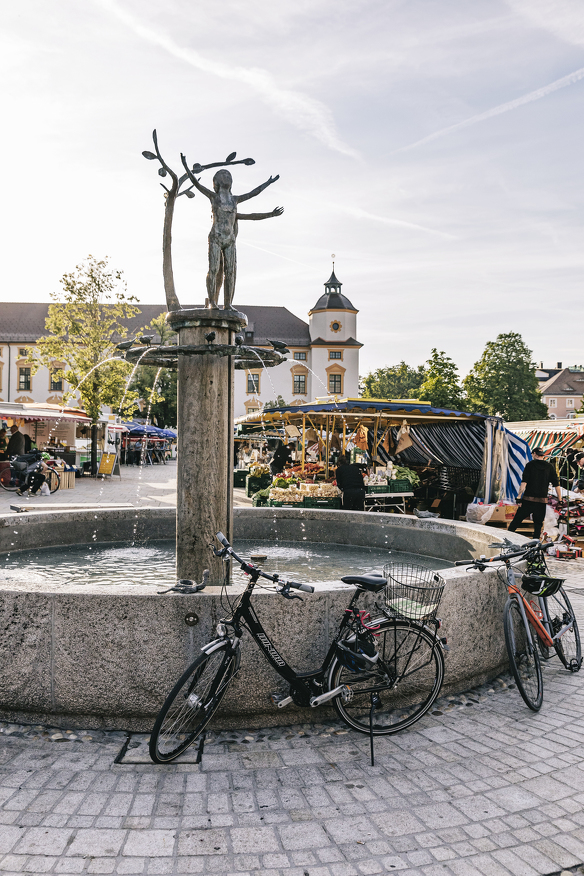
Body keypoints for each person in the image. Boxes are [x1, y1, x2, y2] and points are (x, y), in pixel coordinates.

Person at [188, 168, 283, 309]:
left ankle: (228, 304)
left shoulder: (234, 200)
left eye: (228, 175)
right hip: (216, 237)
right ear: (216, 182)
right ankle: (212, 302)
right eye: (223, 175)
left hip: (230, 240)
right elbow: (197, 185)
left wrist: (268, 184)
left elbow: (253, 197)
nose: (226, 176)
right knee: (213, 269)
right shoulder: (214, 198)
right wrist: (186, 167)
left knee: (230, 272)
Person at [508, 447, 562, 539]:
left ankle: (506, 537)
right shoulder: (549, 467)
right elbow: (556, 485)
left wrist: (518, 496)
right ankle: (535, 545)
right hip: (542, 501)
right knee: (538, 524)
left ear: (534, 454)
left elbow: (524, 482)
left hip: (528, 500)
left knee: (517, 520)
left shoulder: (530, 465)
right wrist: (560, 500)